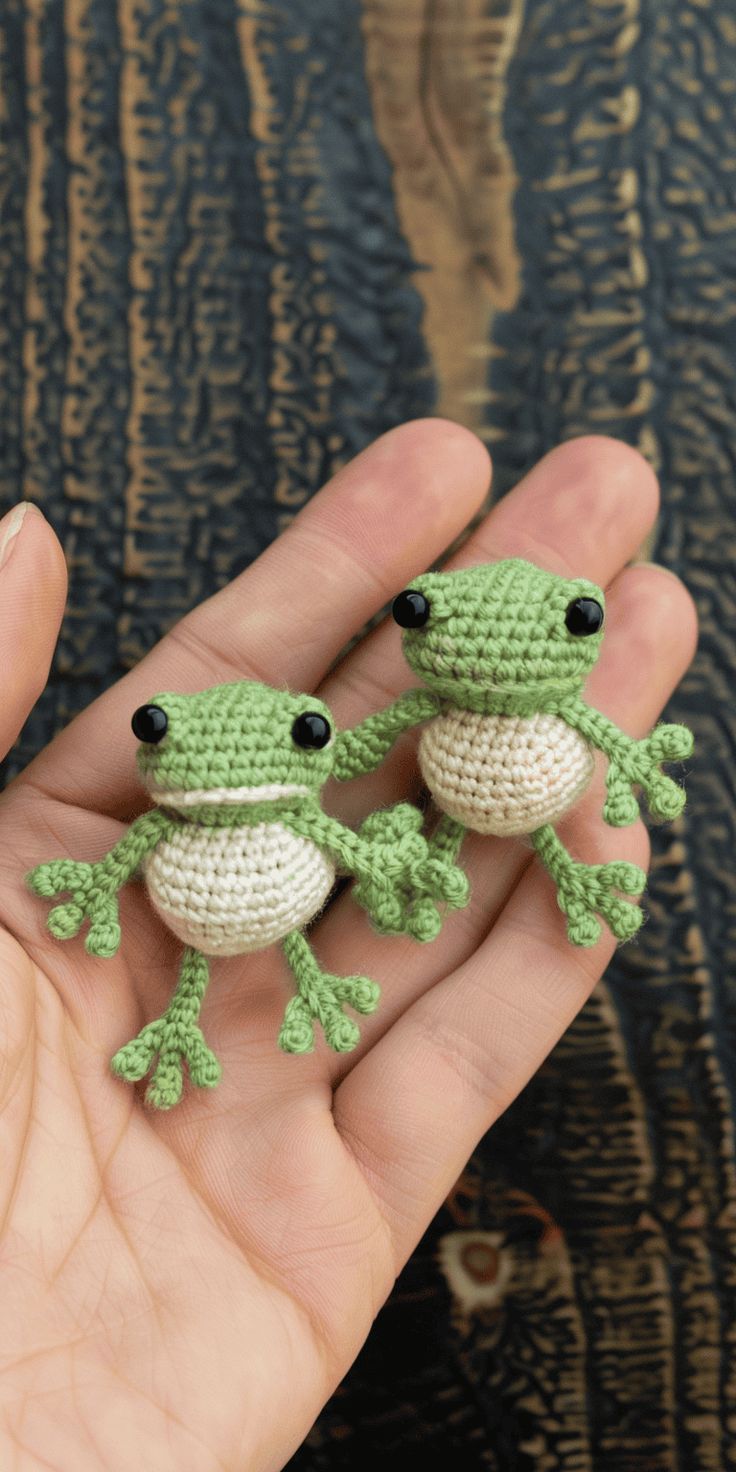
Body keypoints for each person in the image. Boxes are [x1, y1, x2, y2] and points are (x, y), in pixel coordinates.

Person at [0, 421, 696, 1469]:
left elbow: (354, 801)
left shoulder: (386, 764)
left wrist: (399, 852)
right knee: (277, 952)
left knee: (500, 869)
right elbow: (324, 794)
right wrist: (104, 881)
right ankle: (236, 1002)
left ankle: (550, 872)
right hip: (235, 904)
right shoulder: (244, 808)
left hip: (444, 819)